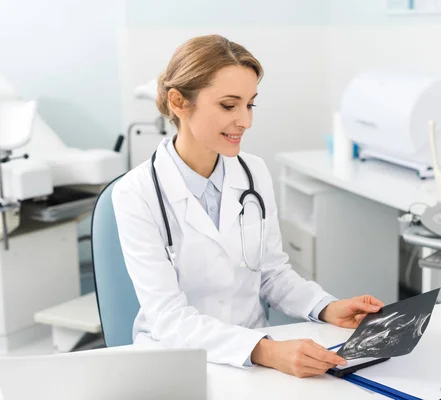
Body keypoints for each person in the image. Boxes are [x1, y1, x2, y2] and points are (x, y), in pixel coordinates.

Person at [112, 34, 384, 378]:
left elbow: (271, 273)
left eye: (250, 104)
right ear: (179, 102)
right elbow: (168, 317)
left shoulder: (252, 171)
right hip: (176, 361)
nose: (246, 121)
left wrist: (326, 307)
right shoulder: (135, 193)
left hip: (253, 353)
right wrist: (266, 351)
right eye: (229, 106)